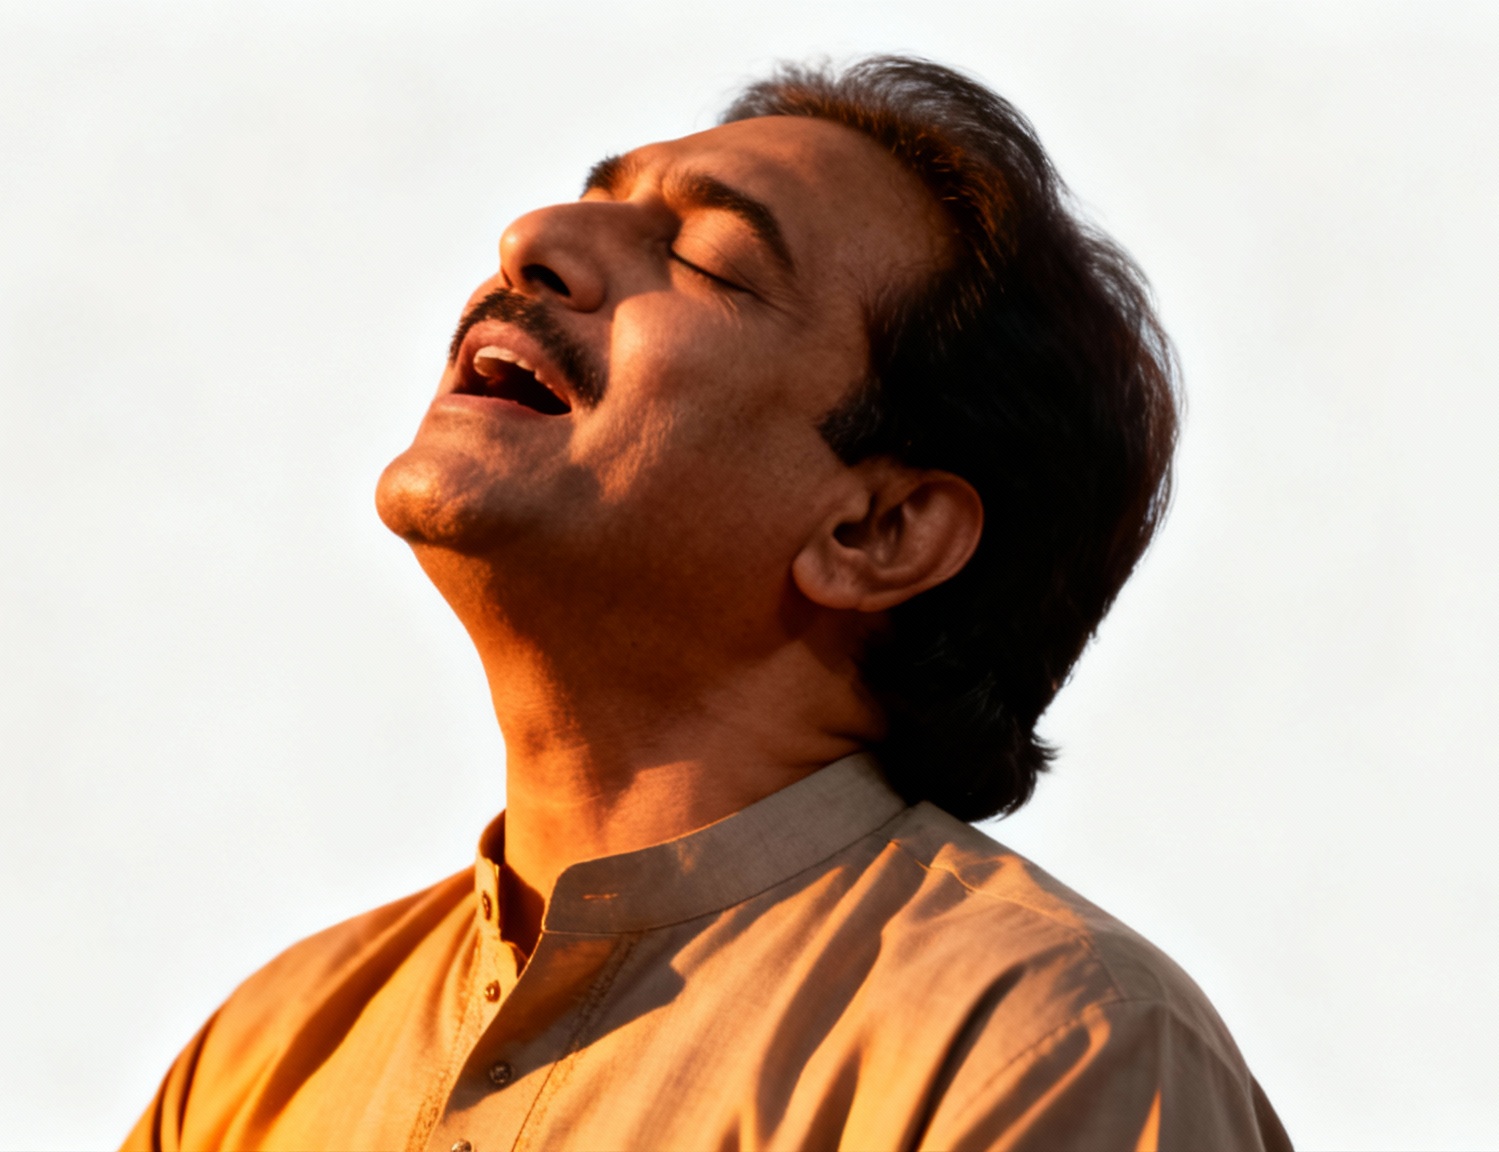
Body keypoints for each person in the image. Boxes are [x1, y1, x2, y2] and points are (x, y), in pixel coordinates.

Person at [124, 55, 1290, 1151]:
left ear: (875, 532)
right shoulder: (267, 1054)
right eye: (593, 200)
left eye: (713, 261)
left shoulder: (1043, 1038)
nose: (528, 242)